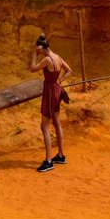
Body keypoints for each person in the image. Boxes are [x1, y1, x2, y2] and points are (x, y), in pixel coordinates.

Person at [29, 33, 71, 173]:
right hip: (57, 91)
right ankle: (60, 155)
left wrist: (35, 55)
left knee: (44, 126)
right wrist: (59, 81)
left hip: (49, 93)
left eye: (38, 48)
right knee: (57, 123)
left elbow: (32, 68)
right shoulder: (57, 57)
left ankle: (48, 161)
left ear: (41, 47)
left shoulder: (47, 60)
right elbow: (68, 70)